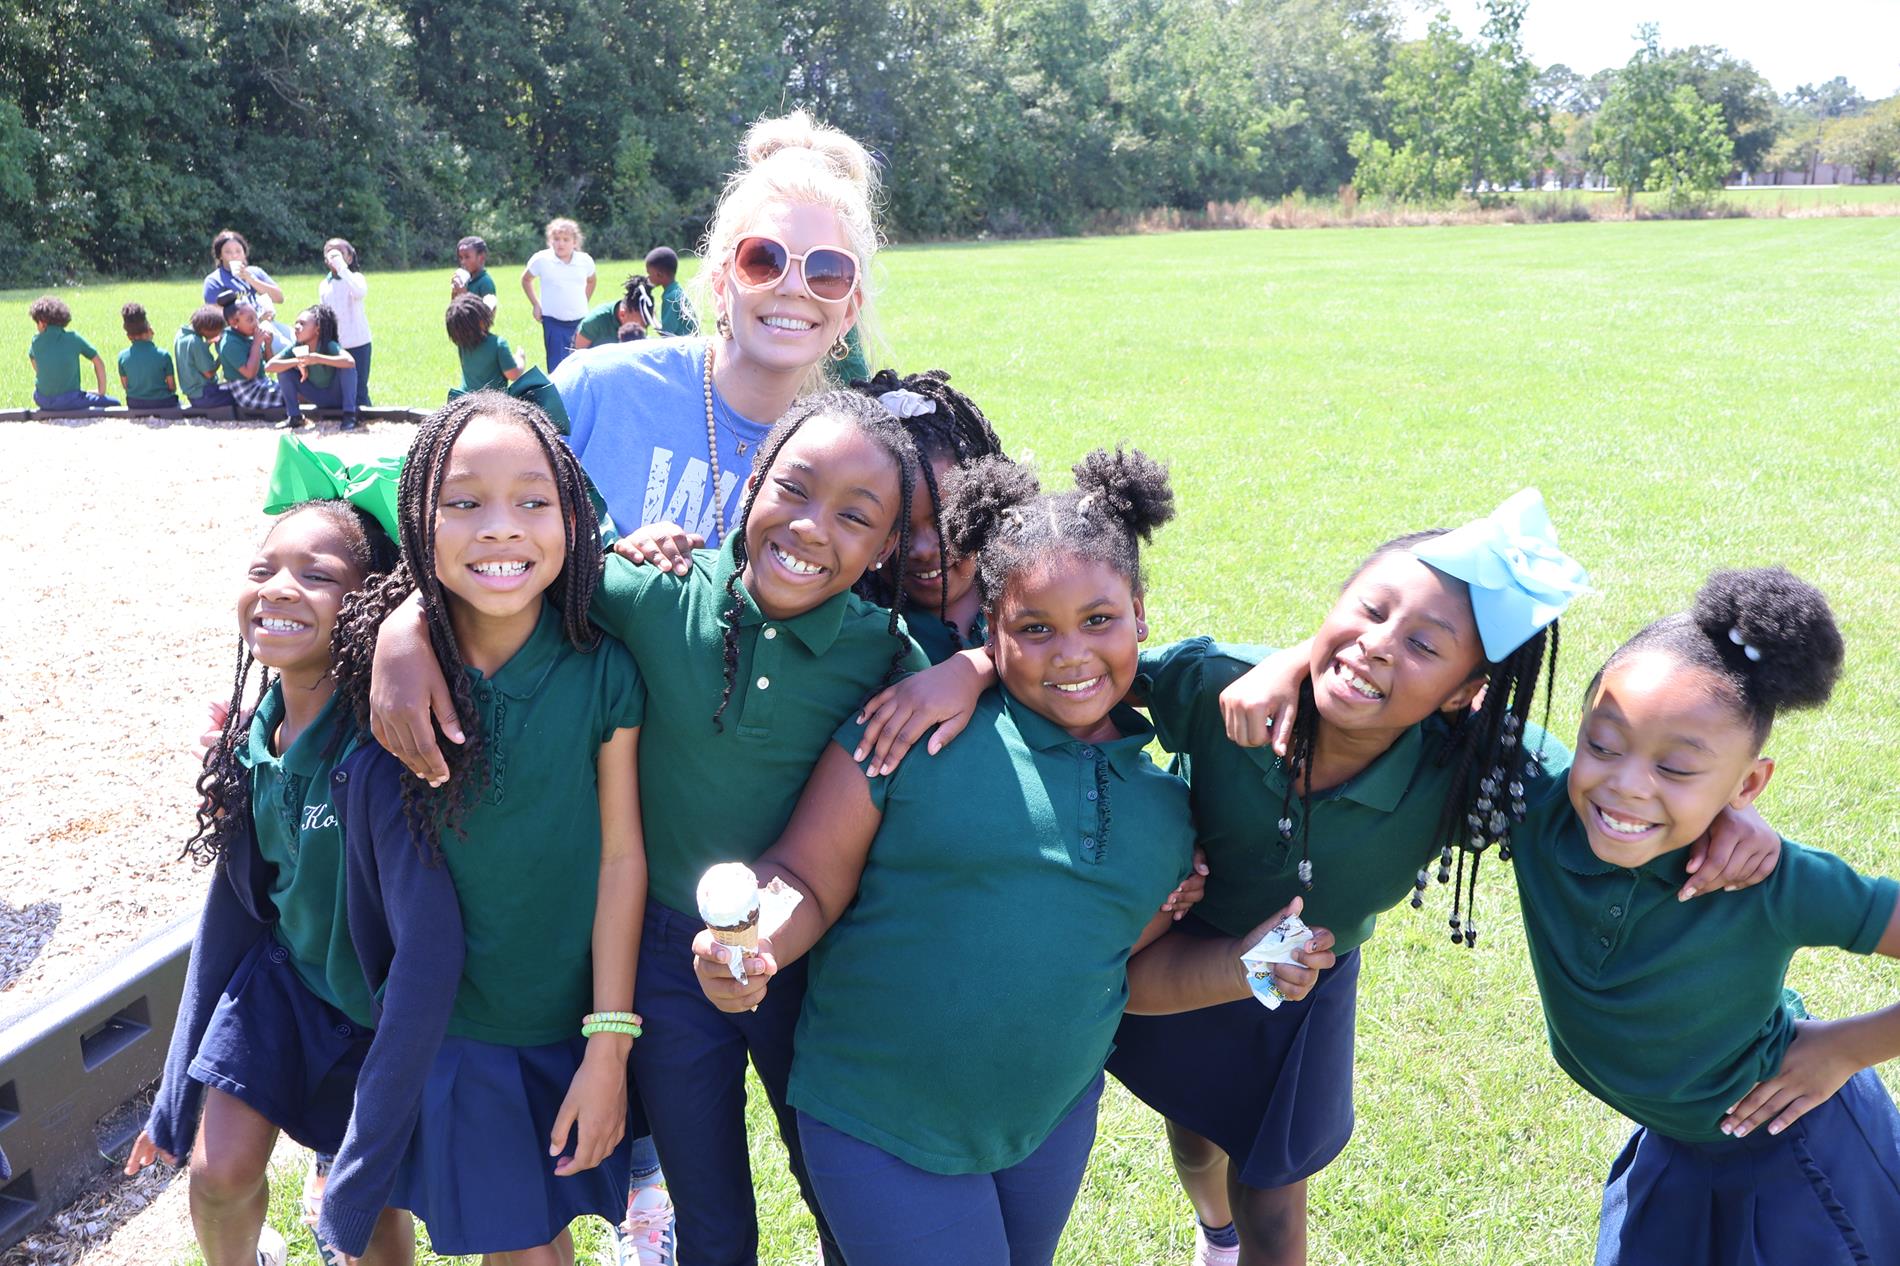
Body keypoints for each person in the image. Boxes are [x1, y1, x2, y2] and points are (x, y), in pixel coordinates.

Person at [858, 490, 1783, 1266]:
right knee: (1195, 1133)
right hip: (1174, 958)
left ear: (1465, 691)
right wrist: (974, 665)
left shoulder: (1474, 765)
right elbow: (1086, 662)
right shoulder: (1223, 684)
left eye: (1426, 647)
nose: (1381, 646)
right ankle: (1211, 1235)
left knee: (1275, 1194)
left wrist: (1730, 816)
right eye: (1372, 611)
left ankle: (1240, 1235)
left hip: (1299, 986)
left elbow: (1611, 785)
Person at [367, 390, 929, 1266]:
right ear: (752, 483)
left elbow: (990, 710)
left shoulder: (891, 658)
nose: (813, 529)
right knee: (707, 1206)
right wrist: (403, 628)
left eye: (855, 517)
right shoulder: (651, 595)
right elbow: (508, 575)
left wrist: (963, 671)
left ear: (887, 545)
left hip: (813, 963)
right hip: (665, 964)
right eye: (794, 488)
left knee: (840, 1186)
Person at [689, 447, 1244, 1266]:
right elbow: (804, 874)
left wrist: (1241, 964)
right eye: (1032, 630)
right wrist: (757, 940)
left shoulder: (1168, 807)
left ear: (1141, 617)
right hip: (879, 1117)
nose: (1071, 654)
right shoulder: (912, 728)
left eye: (1100, 620)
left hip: (1045, 1123)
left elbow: (1117, 972)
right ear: (990, 632)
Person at [327, 392, 647, 1262]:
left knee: (533, 1248)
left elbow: (622, 858)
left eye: (533, 501)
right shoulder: (383, 668)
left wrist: (609, 1041)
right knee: (469, 1234)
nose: (501, 528)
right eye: (464, 502)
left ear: (575, 518)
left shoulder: (602, 671)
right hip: (440, 1024)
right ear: (418, 522)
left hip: (560, 1021)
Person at [1506, 568, 1900, 1265]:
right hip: (1676, 1149)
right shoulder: (1538, 807)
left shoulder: (1771, 883)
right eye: (1602, 744)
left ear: (1747, 785)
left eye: (1678, 769)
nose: (1625, 784)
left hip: (1799, 1156)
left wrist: (1849, 1048)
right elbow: (1444, 693)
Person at [125, 461, 410, 1266]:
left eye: (316, 575)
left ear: (373, 603)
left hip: (380, 1004)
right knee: (218, 1175)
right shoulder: (252, 735)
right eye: (263, 569)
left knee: (369, 1215)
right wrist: (178, 1086)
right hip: (287, 985)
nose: (279, 587)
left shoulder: (388, 732)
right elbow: (237, 908)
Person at [554, 111, 880, 548]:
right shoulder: (594, 391)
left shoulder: (847, 459)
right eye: (763, 259)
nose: (792, 287)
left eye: (825, 271)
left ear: (850, 309)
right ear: (721, 281)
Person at [267, 304, 359, 432]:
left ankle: (350, 415)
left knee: (346, 367)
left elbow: (350, 361)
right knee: (283, 371)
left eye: (303, 324)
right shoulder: (297, 346)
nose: (297, 327)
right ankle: (295, 417)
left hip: (337, 394)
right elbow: (269, 366)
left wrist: (317, 358)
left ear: (317, 329)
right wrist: (298, 362)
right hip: (316, 395)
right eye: (296, 323)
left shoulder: (329, 345)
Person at [522, 217, 597, 372]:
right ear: (551, 241)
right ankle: (558, 395)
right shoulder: (541, 259)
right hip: (552, 321)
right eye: (556, 239)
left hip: (580, 321)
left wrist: (584, 300)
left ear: (575, 242)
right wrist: (536, 304)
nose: (560, 243)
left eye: (566, 239)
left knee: (581, 363)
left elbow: (591, 281)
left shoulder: (585, 261)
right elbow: (526, 279)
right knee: (557, 366)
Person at [28, 295, 117, 411]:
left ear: (41, 322)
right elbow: (98, 361)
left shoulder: (35, 342)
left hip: (42, 399)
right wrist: (101, 391)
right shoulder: (74, 338)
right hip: (70, 399)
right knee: (115, 403)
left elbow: (34, 361)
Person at [203, 230, 293, 344]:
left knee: (298, 339)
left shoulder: (255, 272)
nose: (234, 255)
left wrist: (251, 280)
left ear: (244, 253)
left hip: (266, 323)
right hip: (238, 335)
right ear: (220, 255)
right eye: (228, 252)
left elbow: (279, 298)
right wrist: (257, 320)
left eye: (238, 251)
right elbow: (217, 316)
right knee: (285, 347)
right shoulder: (214, 281)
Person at [317, 238, 372, 410]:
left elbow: (359, 291)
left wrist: (343, 268)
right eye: (331, 252)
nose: (334, 256)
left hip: (358, 341)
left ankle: (365, 415)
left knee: (359, 387)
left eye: (340, 253)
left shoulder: (355, 278)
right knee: (340, 386)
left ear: (349, 258)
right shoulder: (324, 285)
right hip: (336, 344)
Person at [444, 293, 523, 394]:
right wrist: (520, 358)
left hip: (466, 398)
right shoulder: (498, 344)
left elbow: (467, 319)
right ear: (482, 320)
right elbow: (513, 374)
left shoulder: (462, 343)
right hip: (492, 403)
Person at [218, 302, 285, 415]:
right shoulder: (229, 343)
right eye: (250, 320)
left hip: (262, 382)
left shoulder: (248, 336)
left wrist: (268, 344)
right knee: (292, 392)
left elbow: (269, 363)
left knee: (292, 386)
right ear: (234, 323)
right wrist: (256, 344)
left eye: (256, 318)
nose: (256, 324)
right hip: (247, 390)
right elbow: (249, 373)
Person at [118, 303, 179, 412]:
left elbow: (125, 385)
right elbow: (172, 387)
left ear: (128, 336)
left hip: (134, 403)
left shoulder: (122, 357)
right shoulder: (164, 355)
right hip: (163, 403)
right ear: (148, 330)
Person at [176, 305, 233, 411]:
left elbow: (192, 355)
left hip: (193, 394)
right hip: (205, 395)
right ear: (205, 329)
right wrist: (221, 356)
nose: (219, 333)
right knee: (239, 394)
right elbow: (209, 373)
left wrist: (207, 343)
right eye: (217, 331)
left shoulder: (181, 334)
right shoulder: (196, 342)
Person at [573, 276, 653, 350]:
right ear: (622, 314)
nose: (639, 330)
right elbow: (577, 356)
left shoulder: (640, 319)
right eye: (637, 325)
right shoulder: (593, 323)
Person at [644, 248, 695, 336]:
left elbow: (666, 334)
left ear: (659, 275)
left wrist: (652, 317)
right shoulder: (676, 291)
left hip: (685, 347)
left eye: (649, 274)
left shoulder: (671, 298)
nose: (647, 277)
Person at [451, 235, 499, 312]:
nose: (463, 262)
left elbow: (487, 317)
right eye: (460, 257)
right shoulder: (466, 281)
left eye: (467, 257)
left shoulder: (485, 282)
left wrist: (464, 295)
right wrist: (455, 293)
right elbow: (454, 312)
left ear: (481, 257)